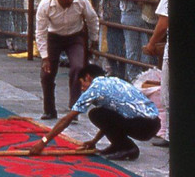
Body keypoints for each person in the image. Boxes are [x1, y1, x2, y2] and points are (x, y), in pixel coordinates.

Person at [29, 63, 159, 161]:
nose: (82, 89)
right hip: (153, 123)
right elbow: (113, 118)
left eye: (82, 84)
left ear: (87, 77)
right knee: (101, 112)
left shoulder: (95, 87)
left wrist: (43, 142)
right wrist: (94, 141)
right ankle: (119, 145)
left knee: (95, 114)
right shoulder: (114, 80)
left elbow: (67, 119)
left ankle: (127, 147)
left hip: (143, 125)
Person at [35, 0, 100, 120]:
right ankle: (49, 109)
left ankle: (74, 108)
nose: (69, 0)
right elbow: (40, 32)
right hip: (53, 37)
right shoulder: (45, 4)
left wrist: (94, 39)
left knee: (78, 67)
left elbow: (92, 19)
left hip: (75, 37)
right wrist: (45, 57)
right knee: (47, 74)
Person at [142, 0, 169, 147]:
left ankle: (168, 133)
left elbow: (163, 22)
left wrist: (152, 43)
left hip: (175, 48)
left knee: (169, 91)